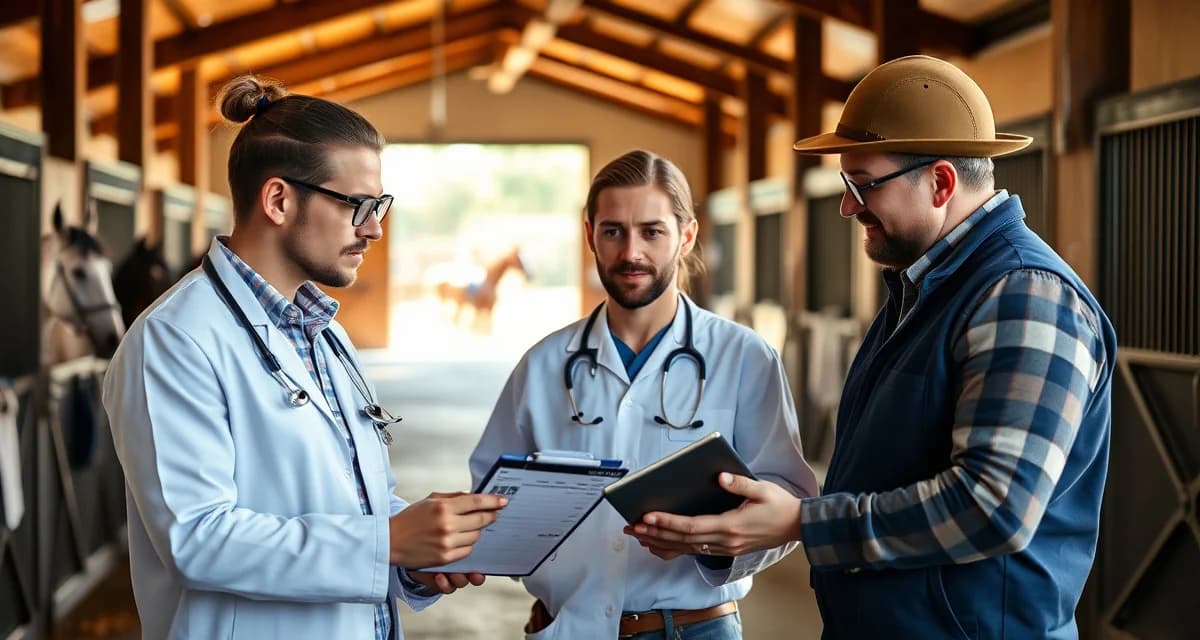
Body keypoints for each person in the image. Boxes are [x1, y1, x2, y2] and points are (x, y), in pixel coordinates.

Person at [627, 55, 1117, 640]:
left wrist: (804, 524)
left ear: (940, 182)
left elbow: (993, 507)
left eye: (863, 185)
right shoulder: (923, 287)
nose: (847, 207)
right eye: (845, 184)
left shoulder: (1024, 295)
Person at [102, 76, 507, 640]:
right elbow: (198, 539)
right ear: (278, 200)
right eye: (358, 206)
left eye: (380, 205)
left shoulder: (323, 332)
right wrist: (388, 541)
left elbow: (349, 501)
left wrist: (416, 553)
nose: (374, 228)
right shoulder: (175, 339)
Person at [469, 149, 818, 639]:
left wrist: (716, 544)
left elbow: (789, 503)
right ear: (590, 235)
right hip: (567, 627)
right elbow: (491, 495)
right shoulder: (544, 365)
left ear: (687, 234)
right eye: (613, 231)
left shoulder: (745, 358)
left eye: (652, 231)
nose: (631, 252)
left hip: (694, 628)